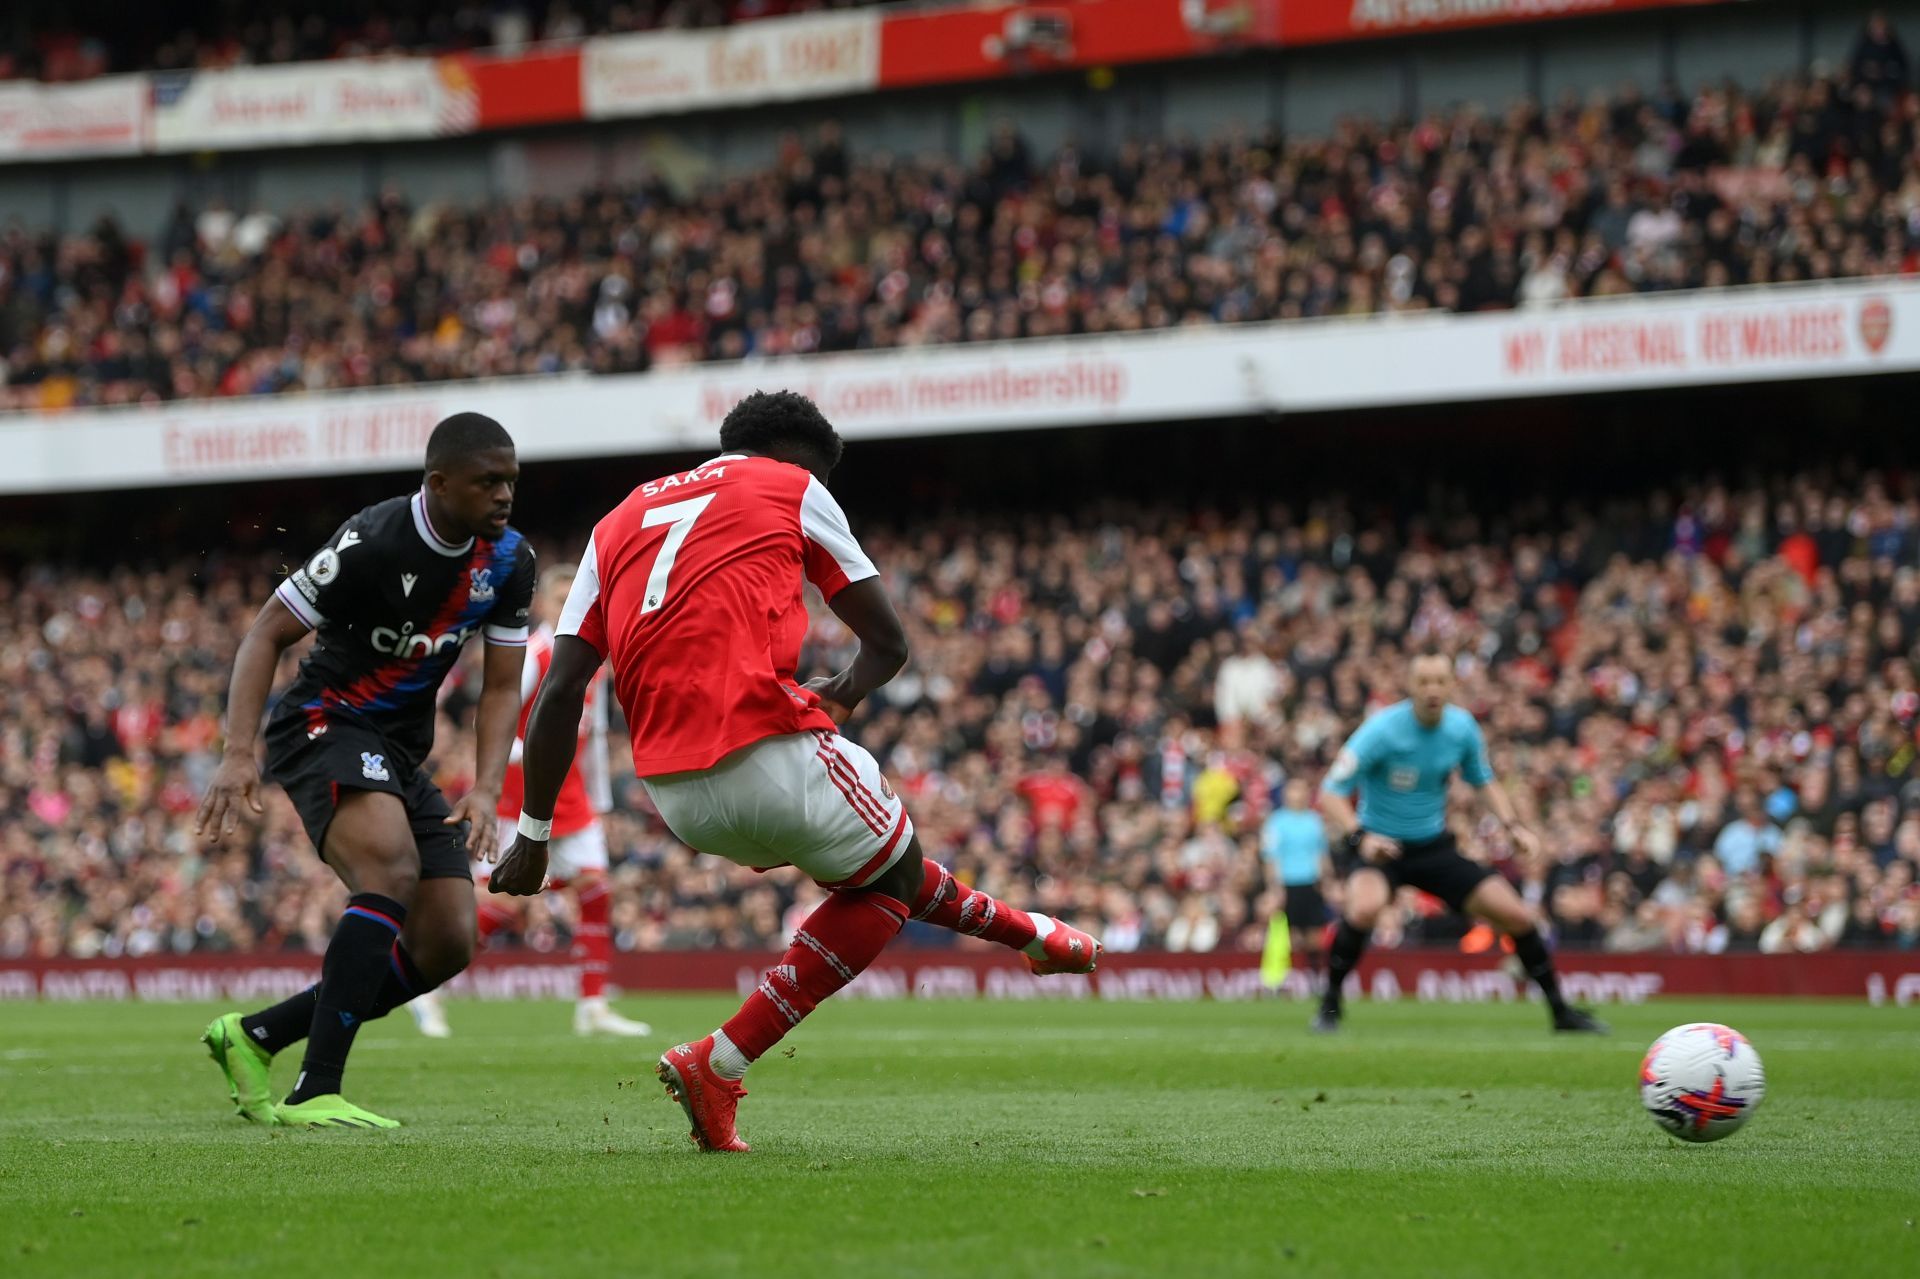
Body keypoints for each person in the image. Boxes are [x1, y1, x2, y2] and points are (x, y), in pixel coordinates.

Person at [490, 390, 1102, 1152]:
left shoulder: (615, 521)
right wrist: (840, 692)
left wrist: (535, 833)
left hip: (673, 793)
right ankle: (721, 1060)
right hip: (766, 744)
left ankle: (1036, 935)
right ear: (792, 456)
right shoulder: (791, 486)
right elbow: (889, 644)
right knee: (891, 881)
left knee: (879, 875)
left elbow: (559, 692)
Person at [195, 413, 535, 1129]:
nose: (505, 494)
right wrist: (236, 751)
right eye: (488, 481)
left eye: (511, 479)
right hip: (323, 719)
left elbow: (503, 685)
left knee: (447, 938)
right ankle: (316, 1086)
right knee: (388, 869)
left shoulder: (508, 561)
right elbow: (266, 633)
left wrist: (487, 786)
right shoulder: (373, 538)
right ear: (439, 482)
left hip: (398, 748)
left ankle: (256, 1035)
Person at [406, 564, 652, 1039]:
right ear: (544, 607)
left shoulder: (594, 664)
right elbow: (492, 727)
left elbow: (593, 735)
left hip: (574, 802)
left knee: (597, 893)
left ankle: (593, 1006)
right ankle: (425, 987)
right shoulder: (536, 655)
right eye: (561, 603)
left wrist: (598, 801)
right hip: (519, 803)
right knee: (502, 906)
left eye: (577, 603)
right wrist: (531, 760)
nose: (572, 611)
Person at [1312, 652, 1606, 1034]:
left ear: (1452, 685)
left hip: (1433, 847)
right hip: (1380, 847)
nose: (1432, 689)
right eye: (1424, 682)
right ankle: (1330, 1006)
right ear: (1410, 686)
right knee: (1364, 908)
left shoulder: (1462, 728)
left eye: (1440, 681)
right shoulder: (1381, 730)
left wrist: (1513, 827)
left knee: (1517, 916)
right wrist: (1360, 837)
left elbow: (1483, 781)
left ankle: (1561, 1013)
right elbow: (1331, 792)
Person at [1260, 778, 1330, 974]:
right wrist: (1274, 888)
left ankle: (1314, 976)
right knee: (1287, 936)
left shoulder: (1315, 820)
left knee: (1314, 936)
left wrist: (1327, 881)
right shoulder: (1276, 822)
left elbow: (1321, 853)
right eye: (1293, 790)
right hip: (1288, 883)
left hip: (1311, 882)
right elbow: (1270, 857)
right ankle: (1286, 978)